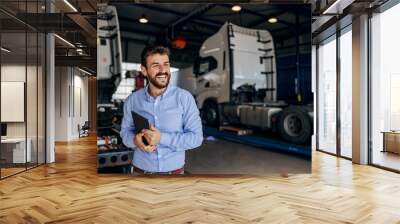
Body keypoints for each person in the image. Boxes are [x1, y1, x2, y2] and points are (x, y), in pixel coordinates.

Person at [120, 45, 203, 175]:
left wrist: (162, 138)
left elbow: (196, 138)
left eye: (166, 64)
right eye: (155, 65)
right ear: (144, 70)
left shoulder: (184, 98)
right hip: (140, 173)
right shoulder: (132, 100)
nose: (163, 70)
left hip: (174, 176)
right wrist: (135, 141)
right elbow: (125, 133)